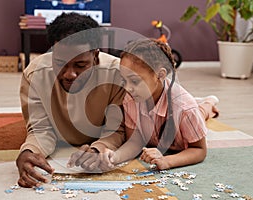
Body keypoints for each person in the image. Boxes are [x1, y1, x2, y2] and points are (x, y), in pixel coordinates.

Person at [16, 13, 127, 188]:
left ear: (96, 56)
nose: (70, 74)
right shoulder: (35, 74)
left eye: (80, 65)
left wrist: (99, 148)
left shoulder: (118, 74)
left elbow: (117, 129)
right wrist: (30, 151)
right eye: (60, 63)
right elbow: (40, 129)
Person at [107, 38, 218, 170]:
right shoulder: (130, 98)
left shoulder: (185, 108)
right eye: (124, 80)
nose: (128, 88)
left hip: (186, 109)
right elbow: (135, 141)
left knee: (201, 112)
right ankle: (205, 102)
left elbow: (199, 150)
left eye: (134, 81)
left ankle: (209, 102)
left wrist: (167, 161)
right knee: (197, 111)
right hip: (175, 103)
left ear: (160, 75)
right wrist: (114, 157)